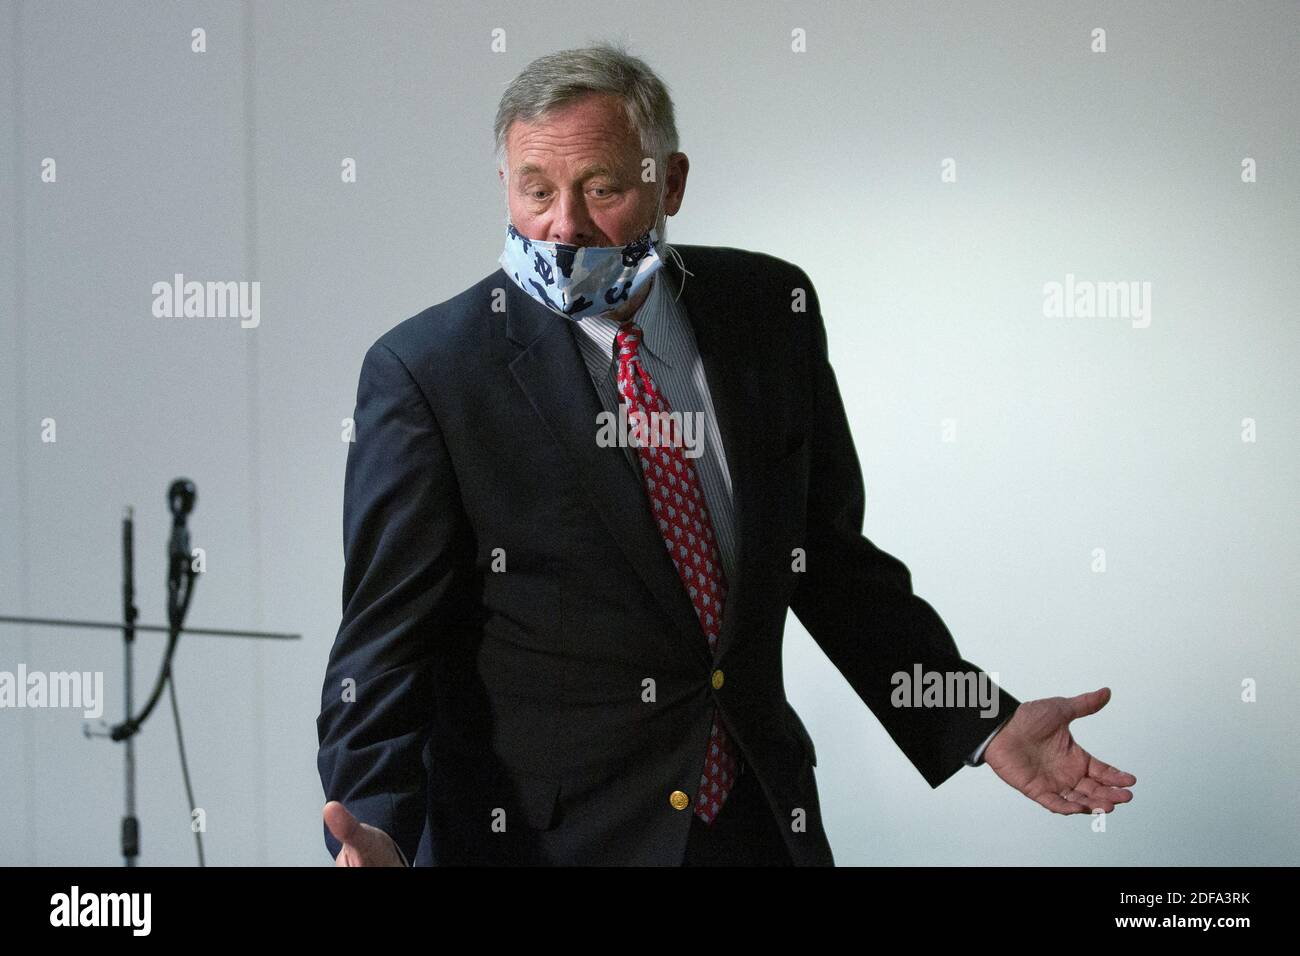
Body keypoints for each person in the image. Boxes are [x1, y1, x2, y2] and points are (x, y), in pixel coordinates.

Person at [316, 42, 1136, 867]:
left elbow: (830, 563)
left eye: (601, 188)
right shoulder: (430, 373)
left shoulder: (770, 311)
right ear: (506, 186)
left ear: (669, 182)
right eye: (536, 190)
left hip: (754, 825)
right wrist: (378, 826)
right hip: (543, 844)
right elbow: (384, 645)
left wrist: (977, 718)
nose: (562, 224)